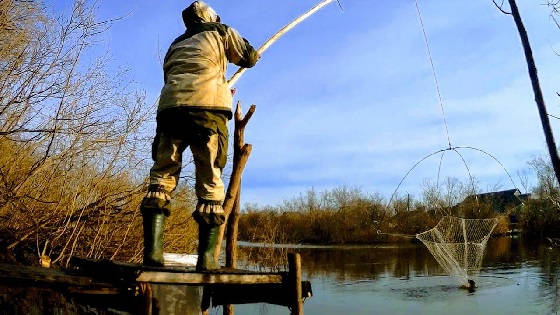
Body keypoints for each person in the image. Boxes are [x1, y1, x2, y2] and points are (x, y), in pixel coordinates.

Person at [140, 1, 259, 270]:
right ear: (210, 17)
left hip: (171, 110)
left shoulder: (175, 45)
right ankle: (206, 261)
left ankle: (153, 256)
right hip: (207, 113)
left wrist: (220, 89)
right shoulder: (220, 31)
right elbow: (248, 57)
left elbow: (179, 78)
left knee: (162, 175)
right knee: (210, 178)